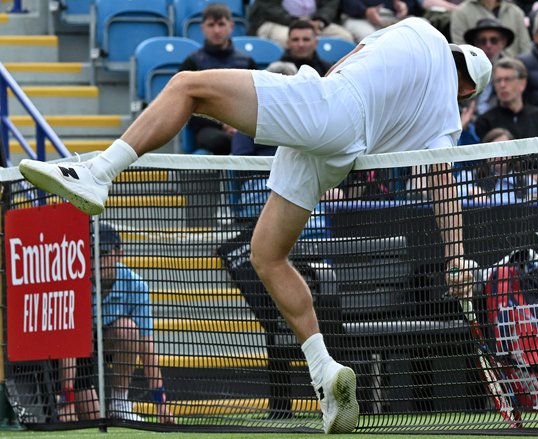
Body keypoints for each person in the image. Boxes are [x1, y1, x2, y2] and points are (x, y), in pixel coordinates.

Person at [18, 18, 492, 434]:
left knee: (186, 85)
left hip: (331, 107)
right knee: (267, 255)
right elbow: (441, 179)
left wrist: (312, 109)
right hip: (340, 151)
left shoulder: (419, 29)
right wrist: (455, 255)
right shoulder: (444, 120)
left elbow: (352, 58)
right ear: (468, 90)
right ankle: (325, 372)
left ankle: (98, 174)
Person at [94, 222, 174, 423]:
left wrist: (160, 405)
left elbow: (147, 347)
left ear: (119, 253)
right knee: (87, 417)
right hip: (79, 353)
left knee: (128, 330)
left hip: (111, 344)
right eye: (91, 252)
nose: (97, 260)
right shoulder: (76, 278)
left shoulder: (136, 285)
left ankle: (120, 404)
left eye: (103, 253)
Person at [179, 4, 258, 155]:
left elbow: (258, 100)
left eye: (221, 24)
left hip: (244, 126)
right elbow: (186, 106)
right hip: (209, 129)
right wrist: (223, 125)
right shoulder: (192, 62)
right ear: (203, 27)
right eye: (211, 25)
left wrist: (239, 124)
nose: (216, 30)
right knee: (219, 141)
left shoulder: (247, 62)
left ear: (231, 26)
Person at [475, 57, 538, 140]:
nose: (502, 85)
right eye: (498, 80)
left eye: (507, 79)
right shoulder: (485, 122)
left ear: (522, 83)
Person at [464, 18, 515, 116]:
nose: (488, 45)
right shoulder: (466, 69)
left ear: (503, 42)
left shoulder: (513, 69)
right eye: (482, 41)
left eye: (494, 40)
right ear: (475, 43)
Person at [248, 0, 353, 47]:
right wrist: (295, 22)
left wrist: (320, 20)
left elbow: (329, 5)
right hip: (276, 21)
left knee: (345, 38)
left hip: (313, 21)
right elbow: (269, 8)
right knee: (287, 40)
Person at [450, 0, 531, 58]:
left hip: (513, 70)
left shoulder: (516, 12)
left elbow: (526, 49)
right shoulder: (461, 12)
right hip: (478, 70)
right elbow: (461, 51)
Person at [339, 0, 415, 42]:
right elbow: (347, 4)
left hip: (391, 15)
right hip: (357, 17)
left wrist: (405, 6)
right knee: (372, 39)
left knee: (417, 28)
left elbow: (412, 3)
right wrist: (365, 11)